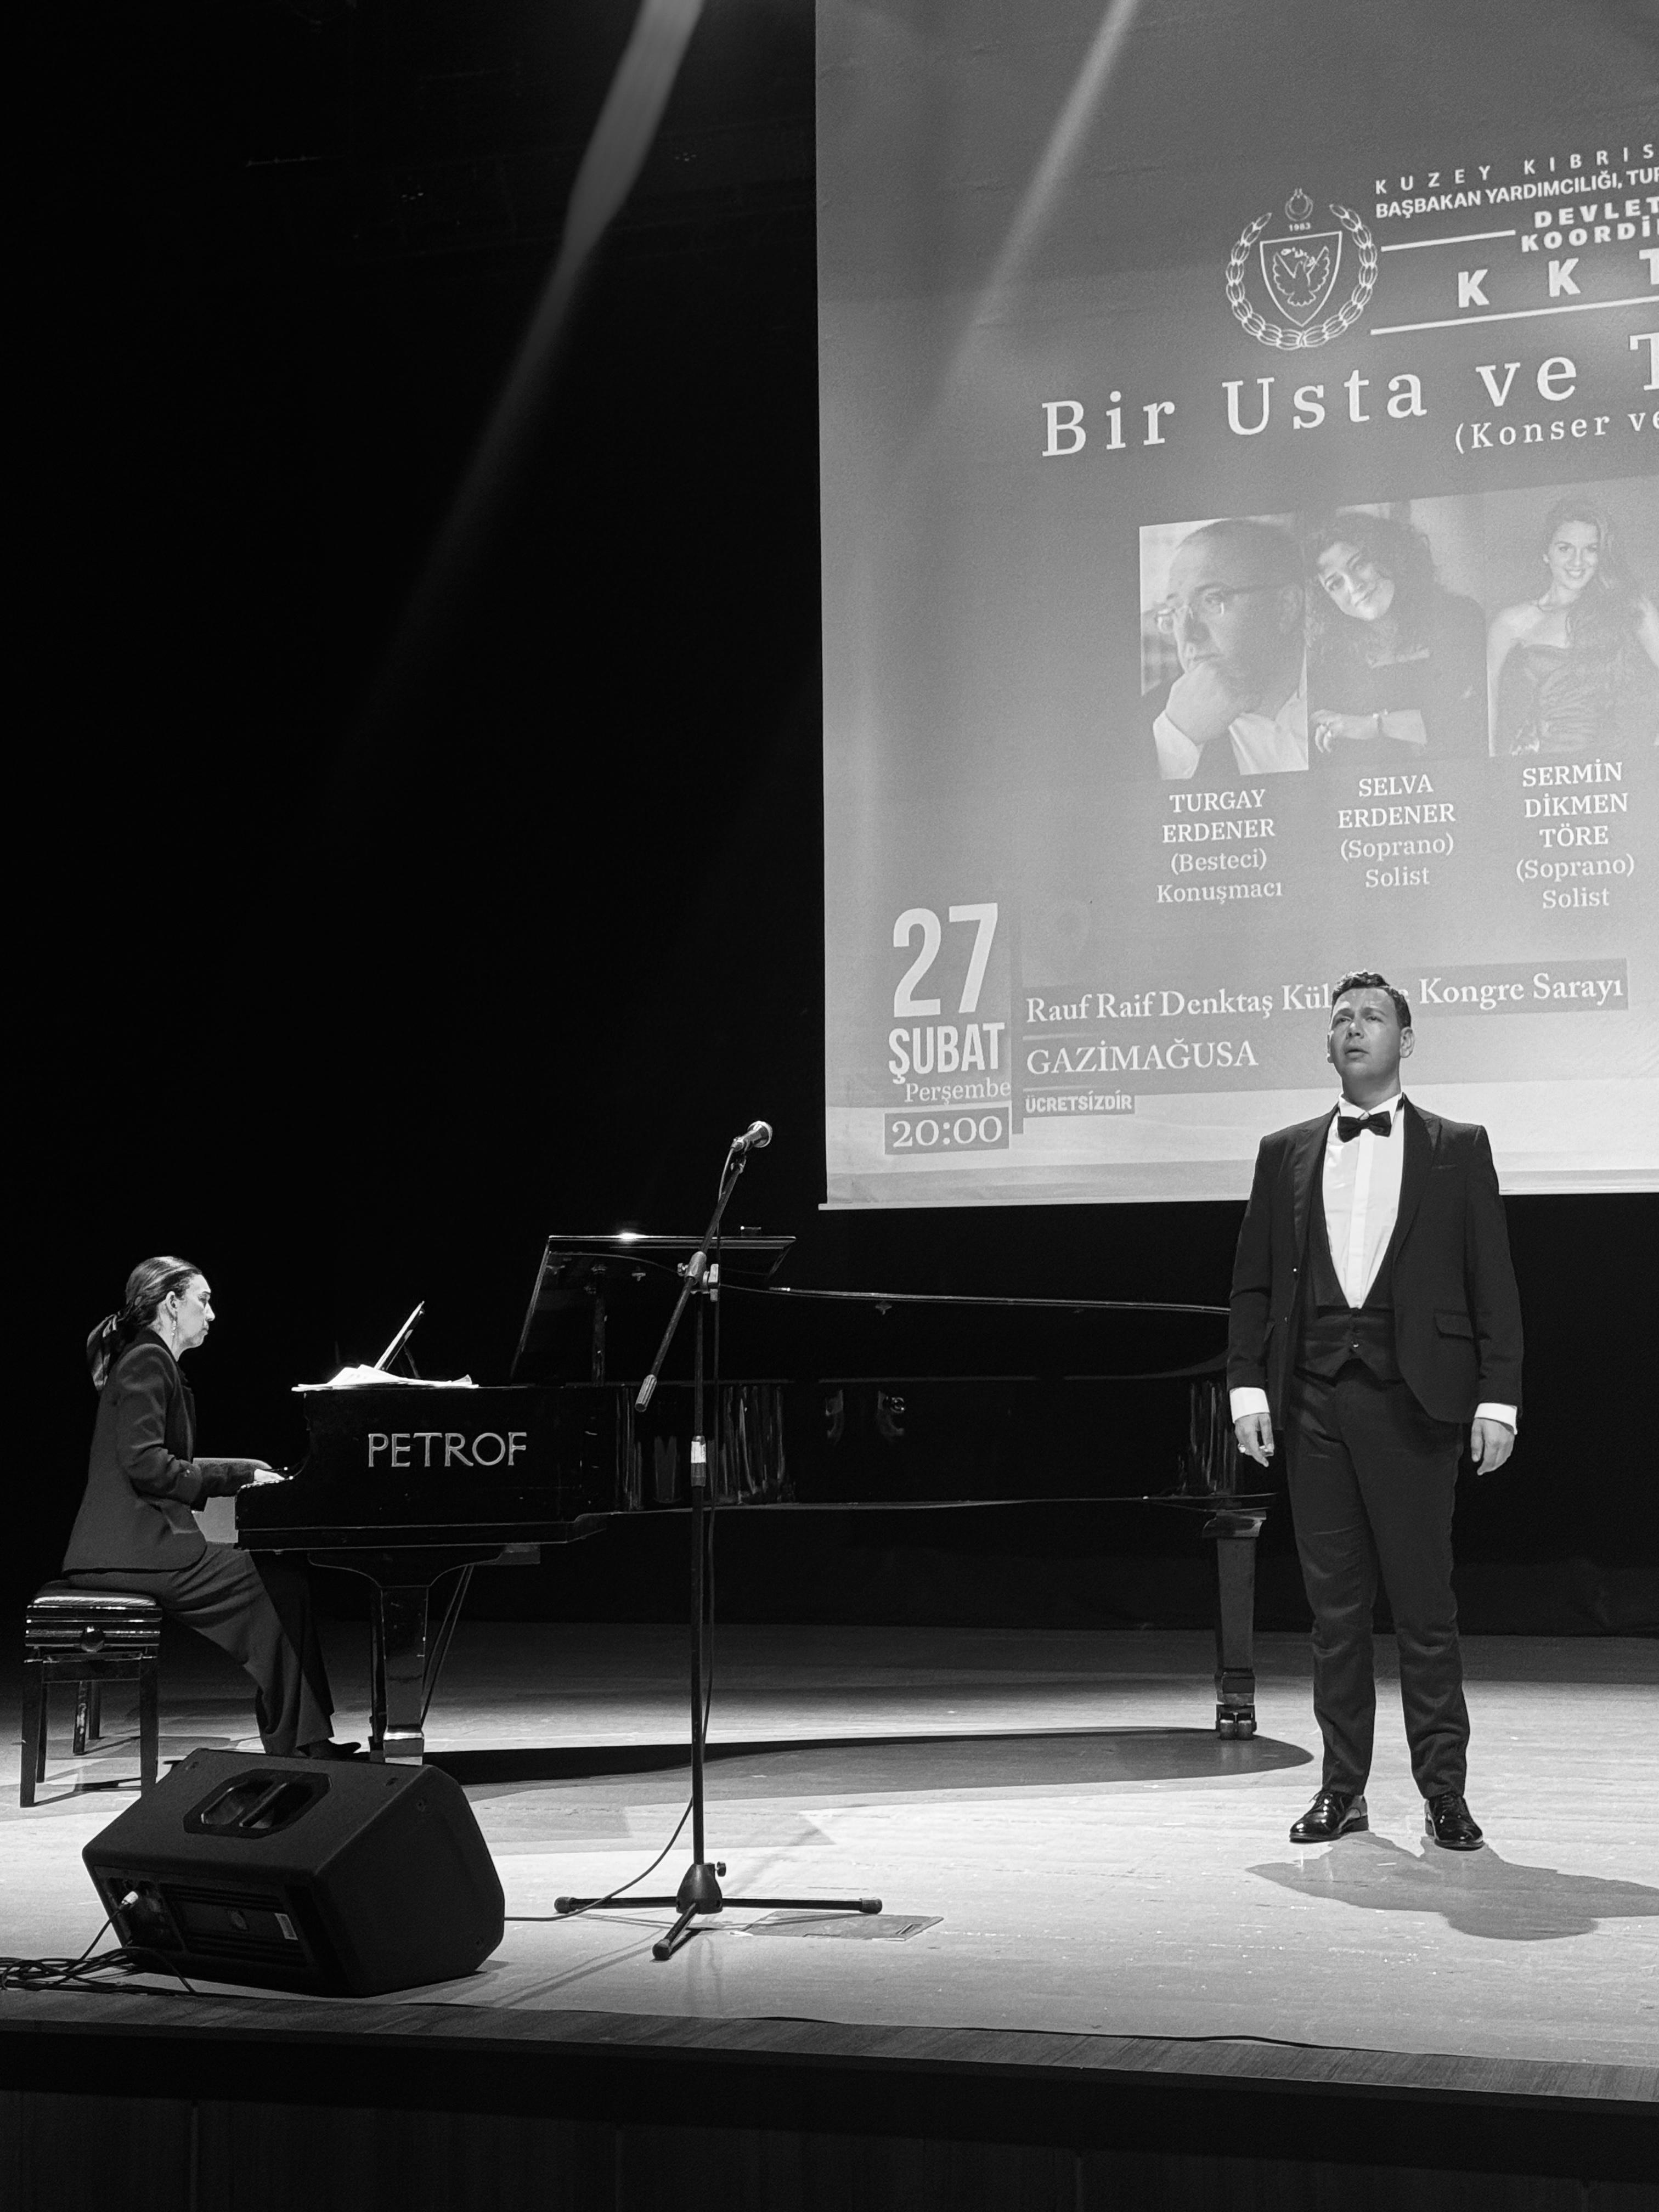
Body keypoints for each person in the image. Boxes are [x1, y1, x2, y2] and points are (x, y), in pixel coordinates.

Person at [1227, 974, 1522, 1850]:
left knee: (1425, 1610)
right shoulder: (1284, 1151)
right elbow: (1252, 1282)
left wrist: (1499, 1397)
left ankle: (1444, 1793)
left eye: (1372, 1017)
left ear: (1406, 1039)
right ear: (1328, 1044)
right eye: (1341, 1019)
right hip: (1313, 1398)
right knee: (1335, 1613)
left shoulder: (1457, 1147)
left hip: (1415, 1400)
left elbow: (1493, 1282)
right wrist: (1247, 1386)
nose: (1354, 1029)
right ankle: (1342, 1789)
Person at [64, 1256, 357, 1759]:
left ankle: (307, 1741)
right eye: (204, 1301)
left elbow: (163, 1460)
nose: (212, 1314)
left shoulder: (150, 1359)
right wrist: (229, 1477)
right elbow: (145, 1464)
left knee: (284, 1583)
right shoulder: (147, 1360)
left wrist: (243, 1470)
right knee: (274, 1584)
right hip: (133, 1549)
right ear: (171, 1303)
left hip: (136, 1545)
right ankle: (301, 1745)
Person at [1305, 512, 1486, 760]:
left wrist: (1373, 726)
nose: (1354, 585)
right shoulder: (1328, 662)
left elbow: (1474, 723)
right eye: (1335, 584)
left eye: (1359, 565)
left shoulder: (1459, 617)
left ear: (1390, 556)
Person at [1487, 495, 1659, 757]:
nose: (1578, 561)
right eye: (1565, 549)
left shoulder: (1628, 605)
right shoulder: (1511, 622)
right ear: (1546, 554)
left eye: (1591, 549)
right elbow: (1488, 702)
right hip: (1538, 766)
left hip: (1613, 765)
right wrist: (1490, 766)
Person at [1147, 518, 1310, 781]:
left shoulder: (1355, 688)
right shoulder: (1148, 727)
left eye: (1212, 600)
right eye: (1175, 610)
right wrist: (1177, 745)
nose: (1188, 635)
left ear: (1286, 607)